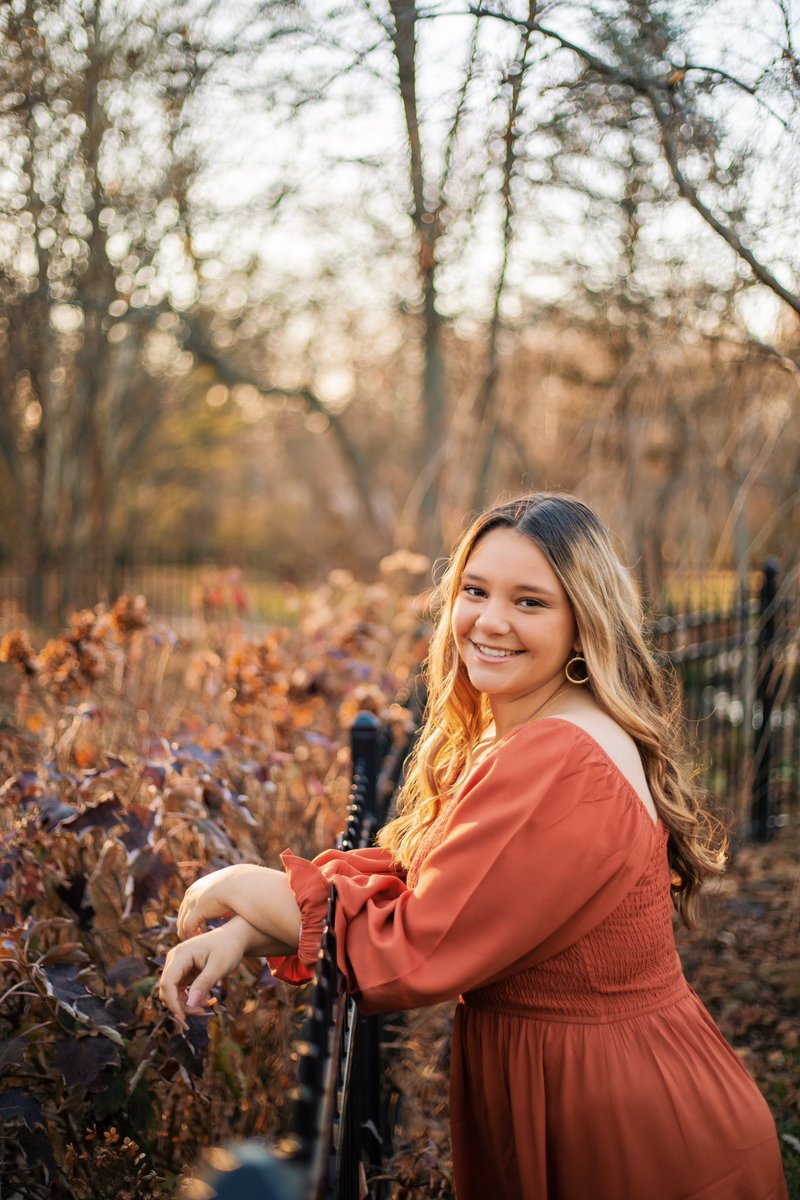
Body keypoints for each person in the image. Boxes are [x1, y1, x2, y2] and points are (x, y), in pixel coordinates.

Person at [159, 493, 788, 1200]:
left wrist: (243, 883)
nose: (490, 621)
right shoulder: (540, 726)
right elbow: (432, 874)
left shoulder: (558, 758)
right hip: (613, 1084)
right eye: (475, 590)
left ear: (584, 622)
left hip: (627, 1129)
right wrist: (252, 927)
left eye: (530, 602)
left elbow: (413, 945)